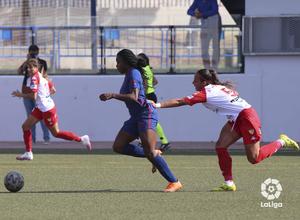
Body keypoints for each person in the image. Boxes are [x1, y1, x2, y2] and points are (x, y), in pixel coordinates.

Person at [153, 69, 299, 191]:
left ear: (204, 82)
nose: (193, 82)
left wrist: (157, 105)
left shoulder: (207, 92)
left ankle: (282, 141)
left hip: (247, 118)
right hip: (237, 118)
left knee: (254, 158)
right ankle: (229, 183)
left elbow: (180, 101)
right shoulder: (216, 88)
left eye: (196, 80)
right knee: (221, 147)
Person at [99, 49, 182, 192]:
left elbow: (134, 97)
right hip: (136, 117)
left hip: (146, 115)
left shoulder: (134, 73)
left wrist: (113, 95)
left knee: (150, 152)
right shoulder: (129, 74)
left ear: (125, 62)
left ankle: (174, 182)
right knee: (118, 146)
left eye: (118, 62)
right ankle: (154, 155)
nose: (117, 65)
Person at [12, 58, 91, 160]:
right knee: (25, 126)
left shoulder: (35, 78)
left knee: (56, 133)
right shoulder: (42, 77)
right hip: (41, 108)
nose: (29, 69)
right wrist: (44, 96)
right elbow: (53, 90)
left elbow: (34, 96)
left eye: (32, 67)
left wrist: (21, 94)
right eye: (28, 67)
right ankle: (28, 153)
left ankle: (82, 139)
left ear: (37, 67)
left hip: (47, 109)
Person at [136, 53, 171, 151]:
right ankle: (162, 141)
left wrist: (143, 90)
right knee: (147, 119)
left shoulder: (140, 71)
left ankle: (163, 141)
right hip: (152, 95)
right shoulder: (148, 69)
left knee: (147, 119)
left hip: (147, 96)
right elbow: (155, 81)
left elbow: (144, 84)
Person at [18, 44, 51, 144]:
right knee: (30, 117)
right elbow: (19, 71)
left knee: (42, 116)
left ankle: (46, 138)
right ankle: (32, 139)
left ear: (37, 52)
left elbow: (45, 75)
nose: (33, 55)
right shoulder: (26, 64)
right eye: (31, 53)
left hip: (38, 92)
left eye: (34, 52)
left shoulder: (42, 62)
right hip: (27, 92)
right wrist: (26, 62)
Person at [187, 0, 221, 70]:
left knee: (216, 47)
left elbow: (214, 10)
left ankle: (215, 68)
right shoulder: (197, 1)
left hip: (215, 23)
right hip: (205, 25)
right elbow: (189, 11)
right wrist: (195, 14)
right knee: (204, 49)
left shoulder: (212, 1)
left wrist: (202, 14)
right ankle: (207, 68)